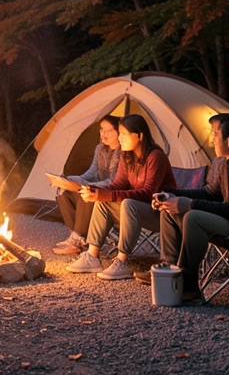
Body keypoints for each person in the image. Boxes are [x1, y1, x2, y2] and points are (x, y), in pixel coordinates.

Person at [140, 112, 229, 304]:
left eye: (215, 134)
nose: (212, 139)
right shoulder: (226, 164)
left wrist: (189, 205)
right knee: (169, 210)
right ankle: (170, 273)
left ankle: (189, 286)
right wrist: (171, 195)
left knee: (194, 217)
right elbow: (210, 193)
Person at [64, 114, 176, 281]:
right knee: (103, 202)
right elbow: (118, 183)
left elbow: (148, 193)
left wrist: (108, 194)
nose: (120, 138)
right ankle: (92, 256)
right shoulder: (127, 155)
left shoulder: (155, 157)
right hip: (138, 212)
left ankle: (122, 261)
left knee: (128, 203)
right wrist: (96, 192)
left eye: (123, 134)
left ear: (139, 136)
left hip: (161, 214)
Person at [51, 115, 121, 255]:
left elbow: (113, 181)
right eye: (102, 129)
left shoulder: (123, 153)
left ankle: (78, 240)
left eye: (109, 130)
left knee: (87, 193)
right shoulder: (100, 148)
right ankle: (76, 237)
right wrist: (71, 180)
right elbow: (91, 172)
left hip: (112, 191)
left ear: (119, 133)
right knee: (64, 193)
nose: (104, 134)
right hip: (98, 187)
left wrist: (87, 185)